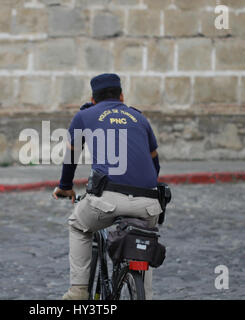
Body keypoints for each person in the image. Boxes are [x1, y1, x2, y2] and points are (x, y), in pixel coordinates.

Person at [52, 73, 162, 300]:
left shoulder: (85, 115)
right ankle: (145, 295)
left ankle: (78, 291)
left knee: (78, 226)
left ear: (93, 99)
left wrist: (65, 187)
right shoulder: (139, 118)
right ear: (122, 96)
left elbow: (71, 158)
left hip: (108, 200)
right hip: (149, 203)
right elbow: (155, 163)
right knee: (142, 240)